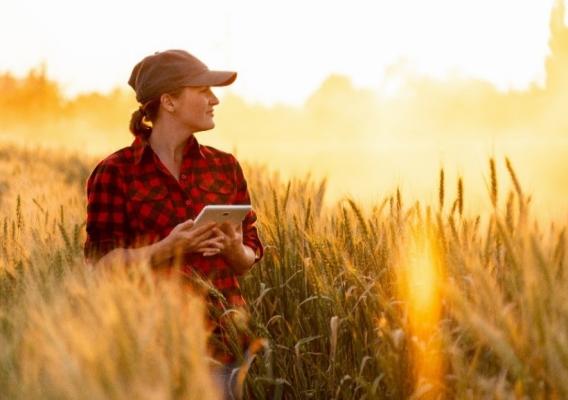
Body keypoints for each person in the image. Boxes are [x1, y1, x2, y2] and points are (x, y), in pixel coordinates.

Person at [83, 49, 264, 399]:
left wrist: (233, 248)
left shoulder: (224, 167)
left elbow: (248, 257)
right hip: (152, 349)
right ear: (169, 101)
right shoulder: (116, 173)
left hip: (224, 345)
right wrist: (168, 248)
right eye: (204, 91)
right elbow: (100, 267)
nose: (215, 100)